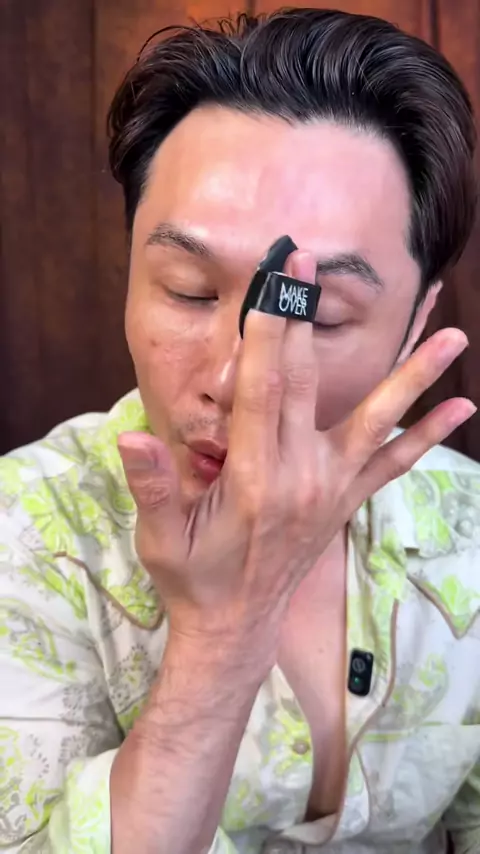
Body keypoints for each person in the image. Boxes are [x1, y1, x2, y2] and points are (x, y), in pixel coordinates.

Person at [1, 7, 479, 853]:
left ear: (416, 324)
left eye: (318, 315)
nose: (234, 381)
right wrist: (222, 636)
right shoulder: (24, 532)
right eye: (188, 290)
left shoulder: (468, 535)